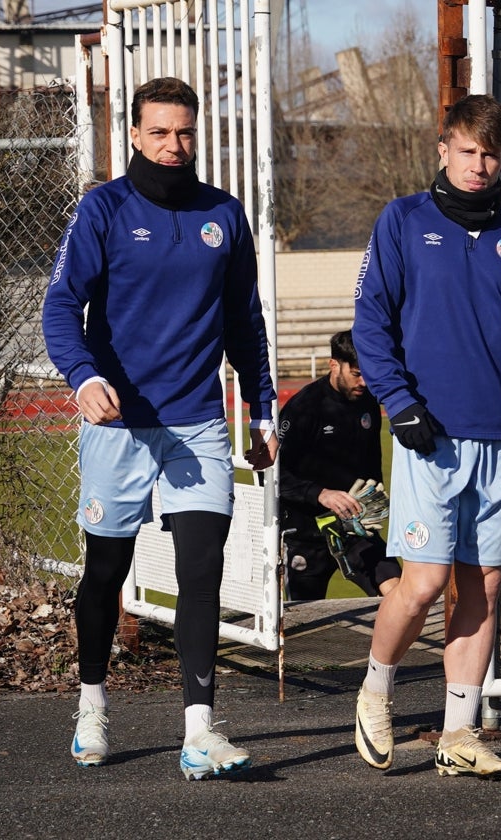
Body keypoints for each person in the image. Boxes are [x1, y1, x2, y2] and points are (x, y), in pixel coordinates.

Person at [41, 76, 278, 780]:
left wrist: (262, 408)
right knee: (106, 569)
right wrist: (84, 379)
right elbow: (61, 307)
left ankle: (200, 732)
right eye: (161, 133)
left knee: (201, 568)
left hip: (198, 422)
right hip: (119, 425)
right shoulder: (103, 210)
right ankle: (91, 703)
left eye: (185, 132)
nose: (174, 145)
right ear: (136, 136)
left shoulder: (223, 216)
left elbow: (244, 322)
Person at [350, 94, 501, 777]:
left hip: (498, 437)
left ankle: (459, 733)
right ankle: (375, 690)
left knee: (483, 583)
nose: (479, 166)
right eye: (467, 151)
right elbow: (371, 324)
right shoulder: (402, 222)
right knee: (422, 584)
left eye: (491, 155)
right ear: (443, 148)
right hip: (427, 434)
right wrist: (399, 402)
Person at [277, 329, 401, 600]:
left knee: (398, 595)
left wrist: (373, 502)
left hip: (354, 528)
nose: (365, 382)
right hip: (306, 534)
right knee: (305, 621)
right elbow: (273, 475)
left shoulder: (367, 402)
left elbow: (371, 462)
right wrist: (321, 494)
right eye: (357, 373)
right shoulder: (303, 408)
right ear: (334, 364)